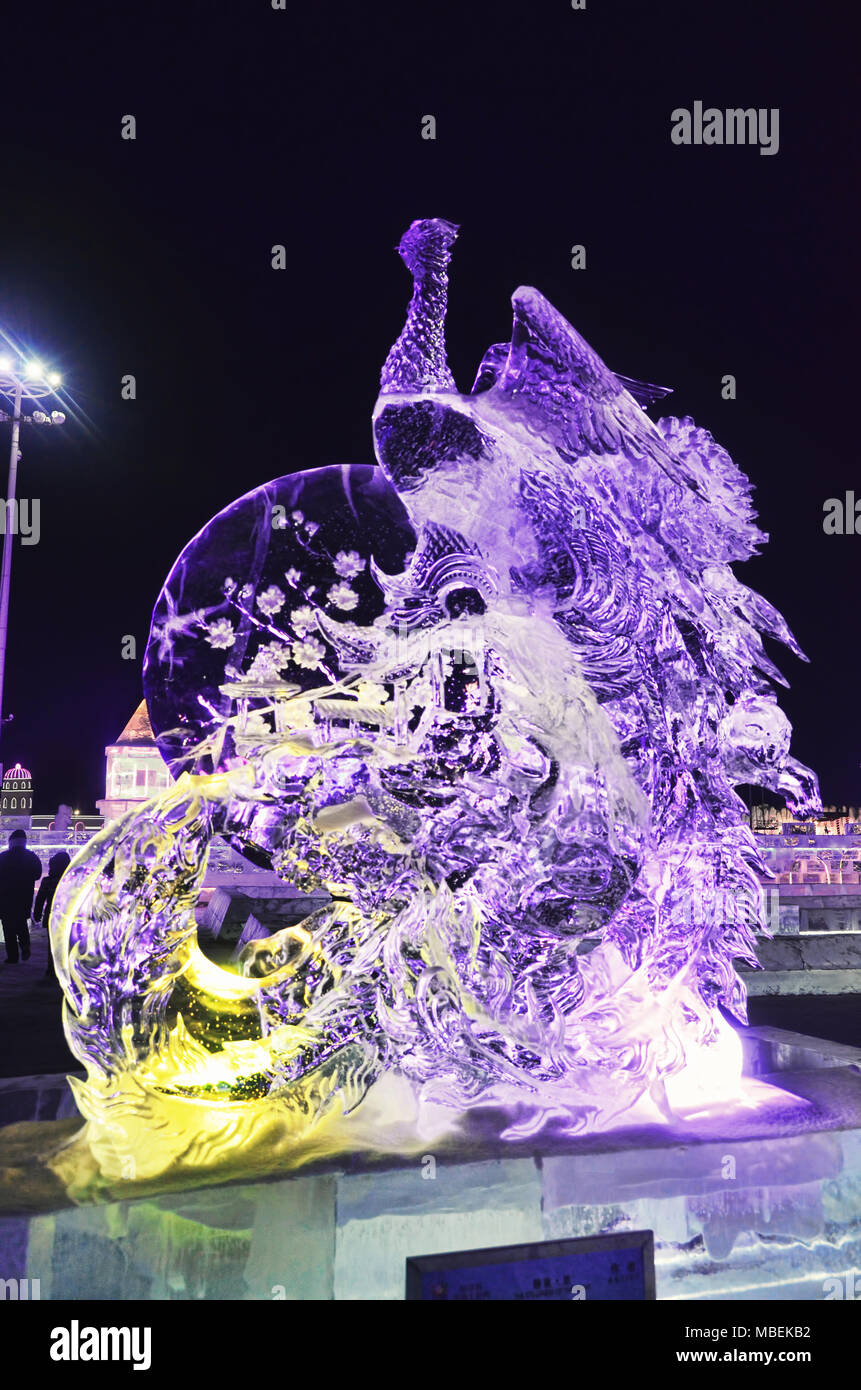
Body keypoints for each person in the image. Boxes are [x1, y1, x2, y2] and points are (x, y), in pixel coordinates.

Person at [0, 828, 43, 964]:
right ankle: (25, 946)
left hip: (5, 897)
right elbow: (37, 874)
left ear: (11, 842)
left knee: (8, 926)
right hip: (24, 896)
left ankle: (12, 956)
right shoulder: (31, 856)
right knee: (21, 923)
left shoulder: (3, 856)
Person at [33, 850, 71, 980]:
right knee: (67, 942)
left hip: (52, 916)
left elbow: (40, 899)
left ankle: (51, 967)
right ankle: (66, 968)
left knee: (52, 944)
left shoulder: (47, 881)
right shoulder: (71, 880)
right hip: (69, 916)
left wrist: (37, 914)